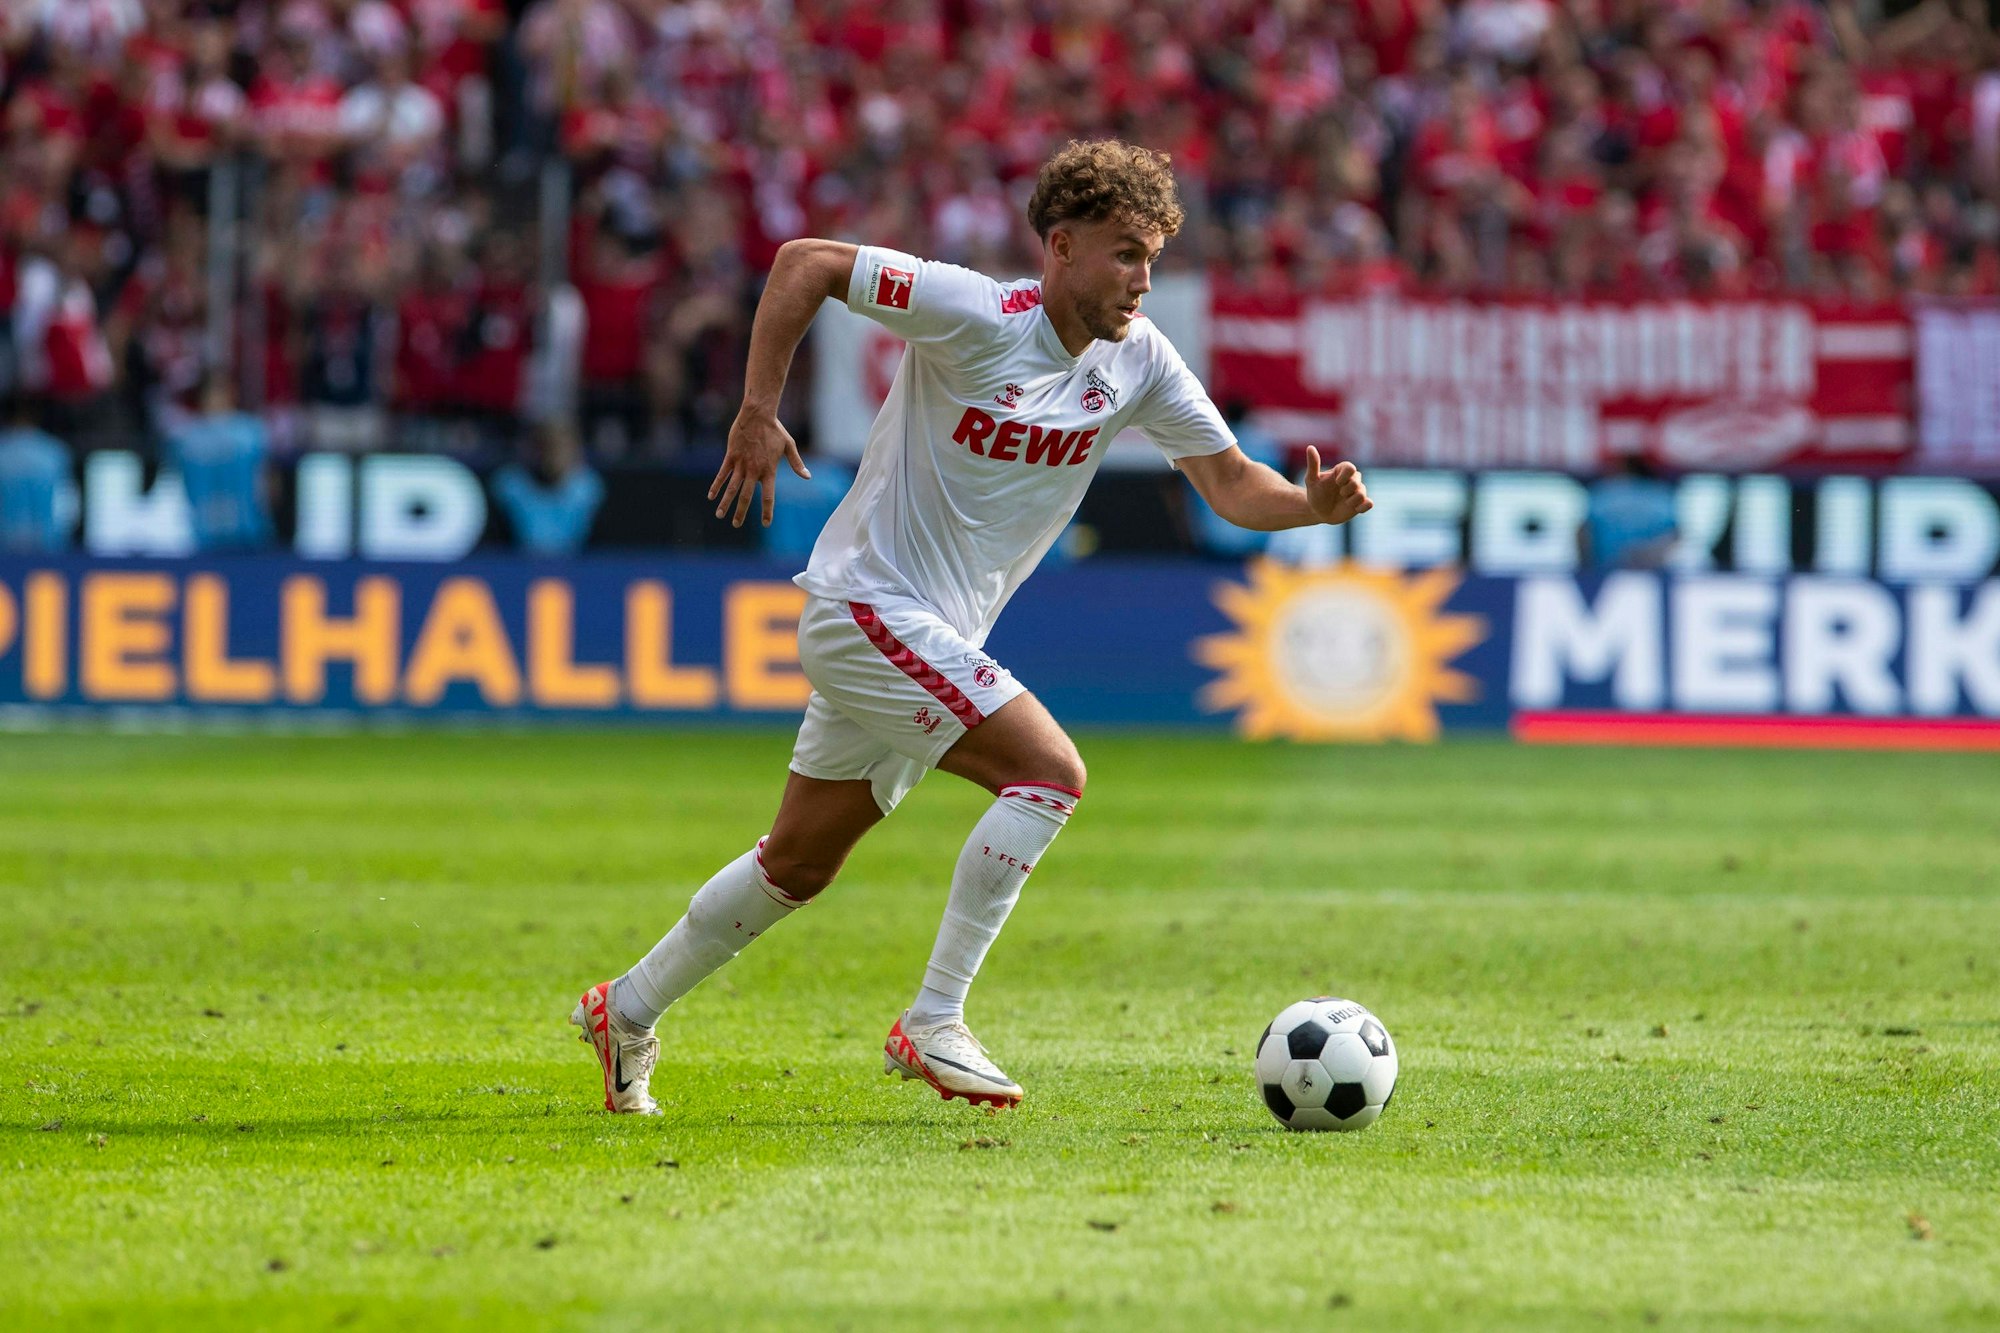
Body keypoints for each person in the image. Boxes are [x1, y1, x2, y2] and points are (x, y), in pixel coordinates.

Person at [569, 140, 1374, 1115]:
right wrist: (756, 409)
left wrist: (1307, 506)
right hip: (868, 606)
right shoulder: (976, 312)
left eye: (1152, 258)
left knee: (797, 863)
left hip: (924, 636)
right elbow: (804, 263)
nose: (1142, 279)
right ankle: (935, 1018)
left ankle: (626, 1009)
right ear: (1061, 247)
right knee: (1050, 773)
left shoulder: (1138, 360)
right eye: (1125, 254)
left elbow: (1230, 481)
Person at [1580, 451, 1679, 570]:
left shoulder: (1600, 493)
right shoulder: (1662, 495)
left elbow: (1584, 534)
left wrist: (1586, 568)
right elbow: (1673, 536)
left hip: (1604, 571)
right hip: (1651, 571)